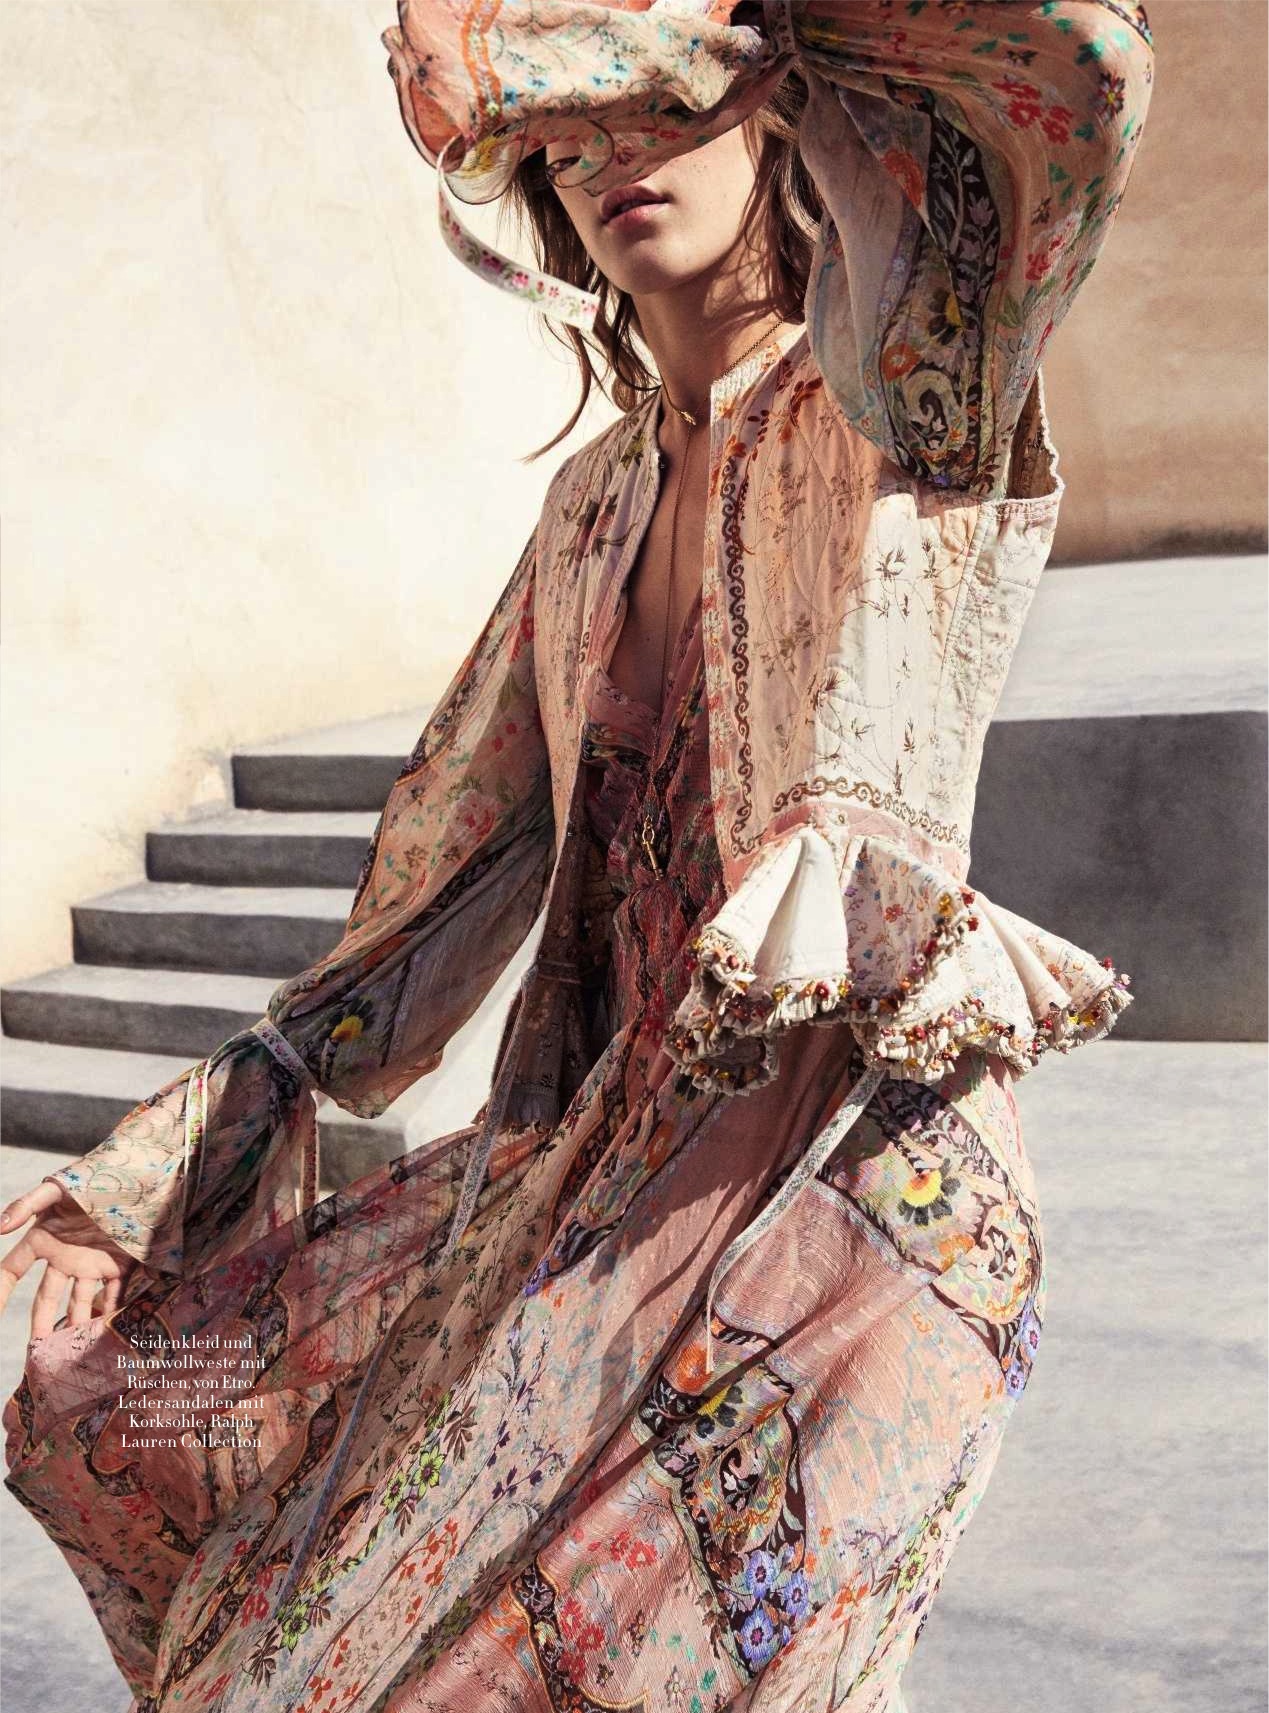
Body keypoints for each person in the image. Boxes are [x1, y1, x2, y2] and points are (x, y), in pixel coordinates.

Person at [0, 1, 1154, 1708]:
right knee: (258, 1597)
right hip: (600, 1188)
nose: (610, 160)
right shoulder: (591, 508)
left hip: (852, 1207)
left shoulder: (907, 388)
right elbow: (436, 896)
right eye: (561, 140)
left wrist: (703, 30)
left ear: (771, 105)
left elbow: (1080, 78)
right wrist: (156, 1175)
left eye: (651, 105)